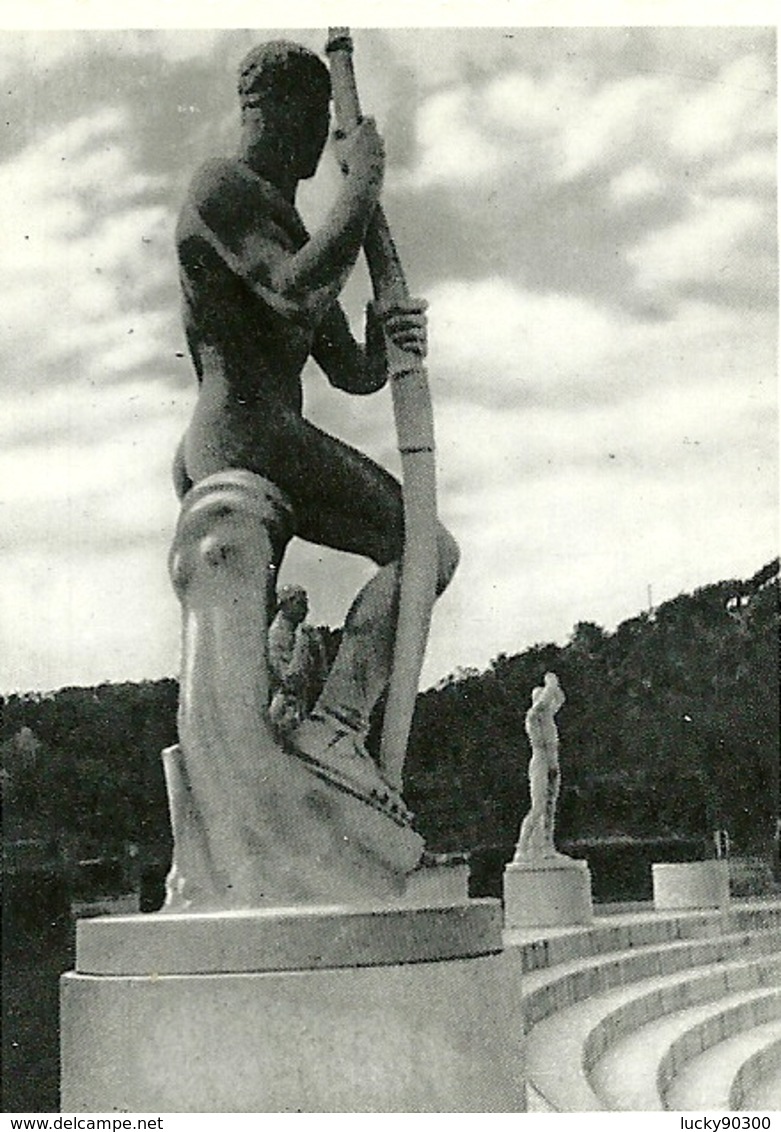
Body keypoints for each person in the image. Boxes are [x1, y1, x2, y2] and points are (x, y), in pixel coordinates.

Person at [174, 40, 458, 781]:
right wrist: (363, 184)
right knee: (422, 548)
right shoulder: (219, 189)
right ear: (265, 112)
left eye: (327, 122)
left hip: (272, 433)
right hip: (240, 431)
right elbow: (293, 290)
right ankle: (334, 728)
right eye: (308, 119)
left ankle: (333, 727)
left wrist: (384, 338)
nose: (316, 139)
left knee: (428, 552)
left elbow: (351, 372)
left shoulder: (291, 227)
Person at [513, 672, 568, 861]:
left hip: (553, 762)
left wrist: (554, 686)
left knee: (550, 809)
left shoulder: (549, 718)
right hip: (540, 762)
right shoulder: (533, 716)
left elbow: (559, 698)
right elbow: (545, 701)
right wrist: (550, 681)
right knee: (537, 807)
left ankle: (547, 847)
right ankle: (521, 847)